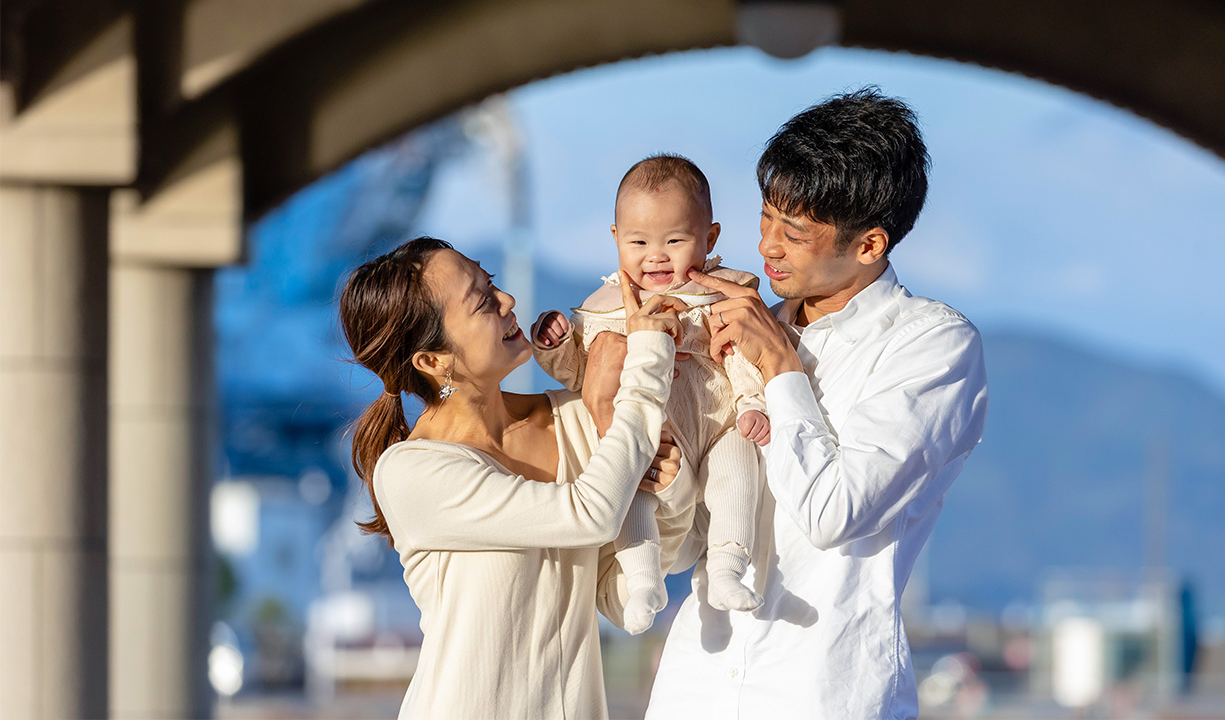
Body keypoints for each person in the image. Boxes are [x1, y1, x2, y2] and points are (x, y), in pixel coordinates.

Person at [644, 89, 990, 718]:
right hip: (697, 683)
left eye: (795, 231)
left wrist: (779, 365)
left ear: (869, 245)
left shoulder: (932, 346)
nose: (768, 245)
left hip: (826, 690)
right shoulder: (731, 324)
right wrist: (665, 482)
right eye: (767, 217)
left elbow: (834, 513)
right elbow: (680, 549)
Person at [339, 237, 694, 719]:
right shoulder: (410, 471)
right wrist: (640, 371)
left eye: (493, 285)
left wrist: (669, 492)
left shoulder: (575, 417)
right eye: (483, 301)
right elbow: (591, 515)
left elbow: (619, 595)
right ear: (432, 361)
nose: (507, 301)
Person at [532, 155, 770, 634]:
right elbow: (579, 373)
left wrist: (752, 403)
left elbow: (745, 355)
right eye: (638, 241)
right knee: (632, 491)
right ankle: (641, 581)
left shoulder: (727, 294)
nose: (656, 256)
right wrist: (553, 344)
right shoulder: (602, 310)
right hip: (655, 433)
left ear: (711, 238)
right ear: (616, 237)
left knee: (738, 469)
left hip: (722, 422)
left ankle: (727, 566)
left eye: (675, 240)